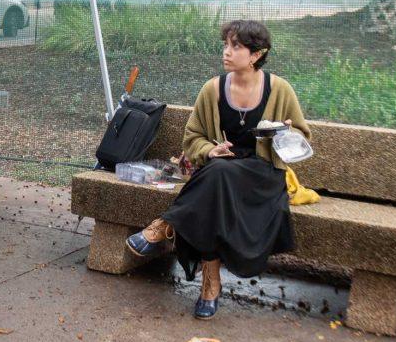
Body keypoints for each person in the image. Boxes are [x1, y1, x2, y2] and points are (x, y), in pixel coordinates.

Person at [126, 20, 310, 319]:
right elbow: (192, 137)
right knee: (216, 178)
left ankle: (165, 226)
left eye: (236, 46)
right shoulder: (212, 89)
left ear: (256, 55)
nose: (226, 52)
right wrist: (210, 150)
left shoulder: (280, 90)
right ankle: (209, 285)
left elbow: (302, 138)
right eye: (225, 44)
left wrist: (284, 134)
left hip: (261, 177)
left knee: (215, 179)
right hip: (219, 172)